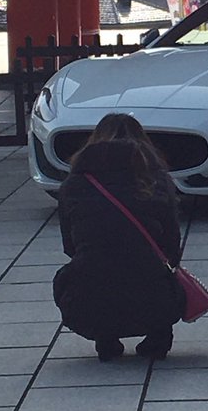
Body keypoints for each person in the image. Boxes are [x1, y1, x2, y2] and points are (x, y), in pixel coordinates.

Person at [53, 113, 184, 361]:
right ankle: (158, 335)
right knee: (162, 275)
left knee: (82, 272)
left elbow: (70, 245)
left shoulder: (74, 185)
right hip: (152, 292)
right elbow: (171, 245)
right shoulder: (155, 179)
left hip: (91, 291)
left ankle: (106, 337)